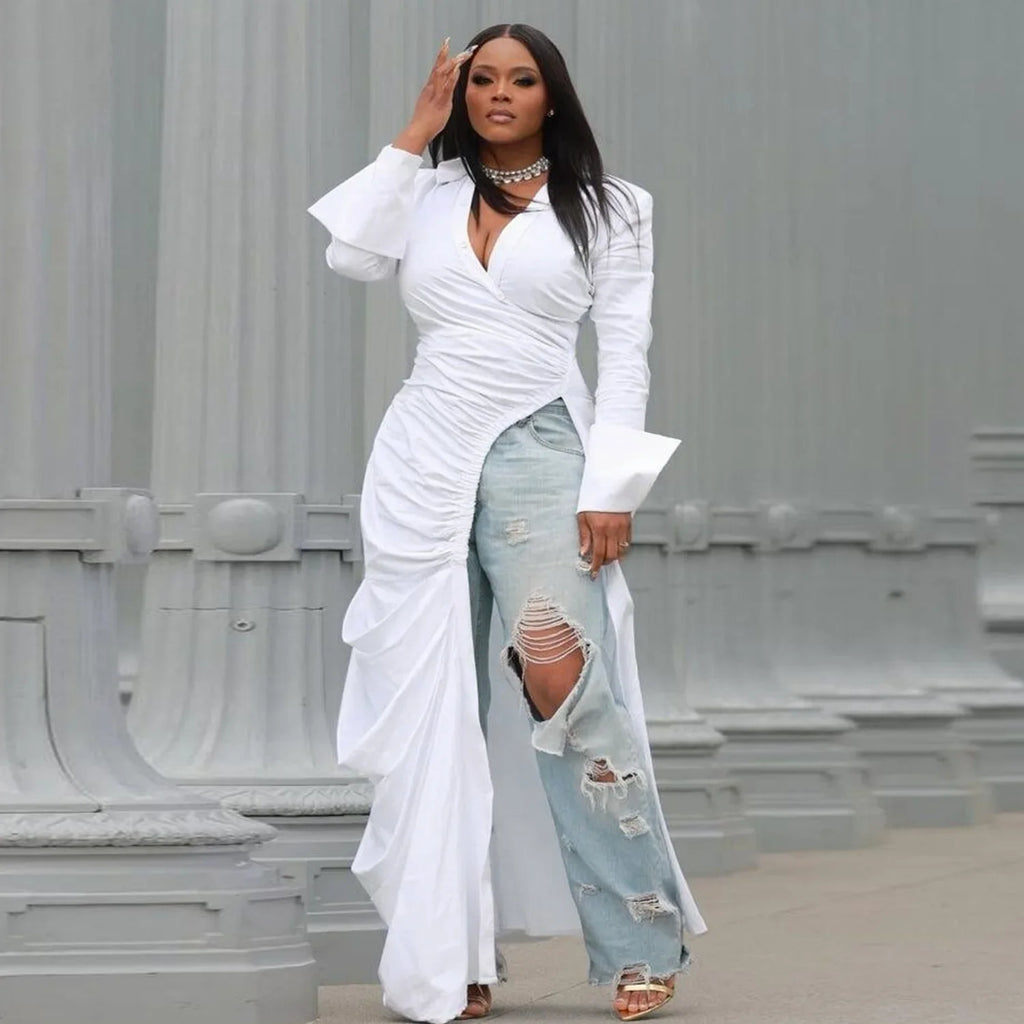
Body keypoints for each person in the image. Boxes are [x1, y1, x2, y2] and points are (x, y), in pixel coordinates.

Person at [308, 23, 707, 1024]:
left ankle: (639, 938)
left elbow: (625, 348)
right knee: (433, 699)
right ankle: (451, 960)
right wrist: (412, 132)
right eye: (481, 80)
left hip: (543, 446)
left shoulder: (613, 205)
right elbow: (350, 254)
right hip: (423, 453)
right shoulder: (426, 192)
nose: (498, 93)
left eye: (519, 80)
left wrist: (611, 486)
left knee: (562, 674)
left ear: (550, 96)